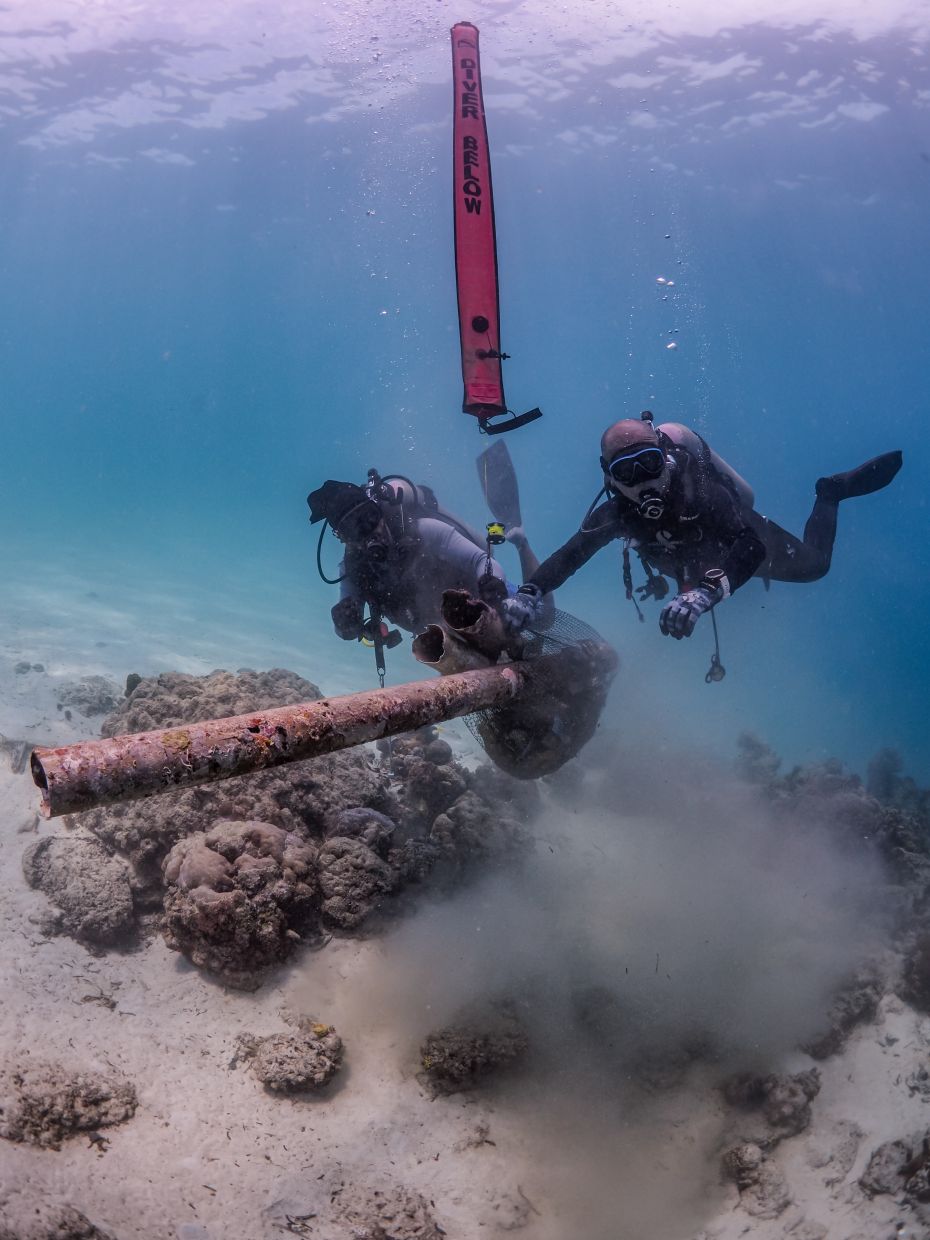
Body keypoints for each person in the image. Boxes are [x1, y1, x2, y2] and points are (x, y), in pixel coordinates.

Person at [502, 412, 902, 640]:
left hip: (733, 543)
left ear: (665, 458)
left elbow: (751, 546)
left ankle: (829, 493)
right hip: (685, 561)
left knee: (815, 567)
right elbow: (572, 554)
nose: (642, 482)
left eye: (649, 464)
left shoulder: (702, 490)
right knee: (684, 574)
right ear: (610, 477)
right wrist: (529, 592)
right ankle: (697, 585)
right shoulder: (617, 513)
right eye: (627, 471)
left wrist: (707, 593)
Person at [307, 472, 548, 642]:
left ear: (379, 511)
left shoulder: (423, 531)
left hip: (484, 602)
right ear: (344, 538)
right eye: (354, 529)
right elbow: (349, 632)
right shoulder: (354, 570)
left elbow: (481, 560)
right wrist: (344, 624)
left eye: (370, 517)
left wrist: (494, 586)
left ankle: (521, 543)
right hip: (444, 634)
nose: (370, 532)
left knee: (545, 620)